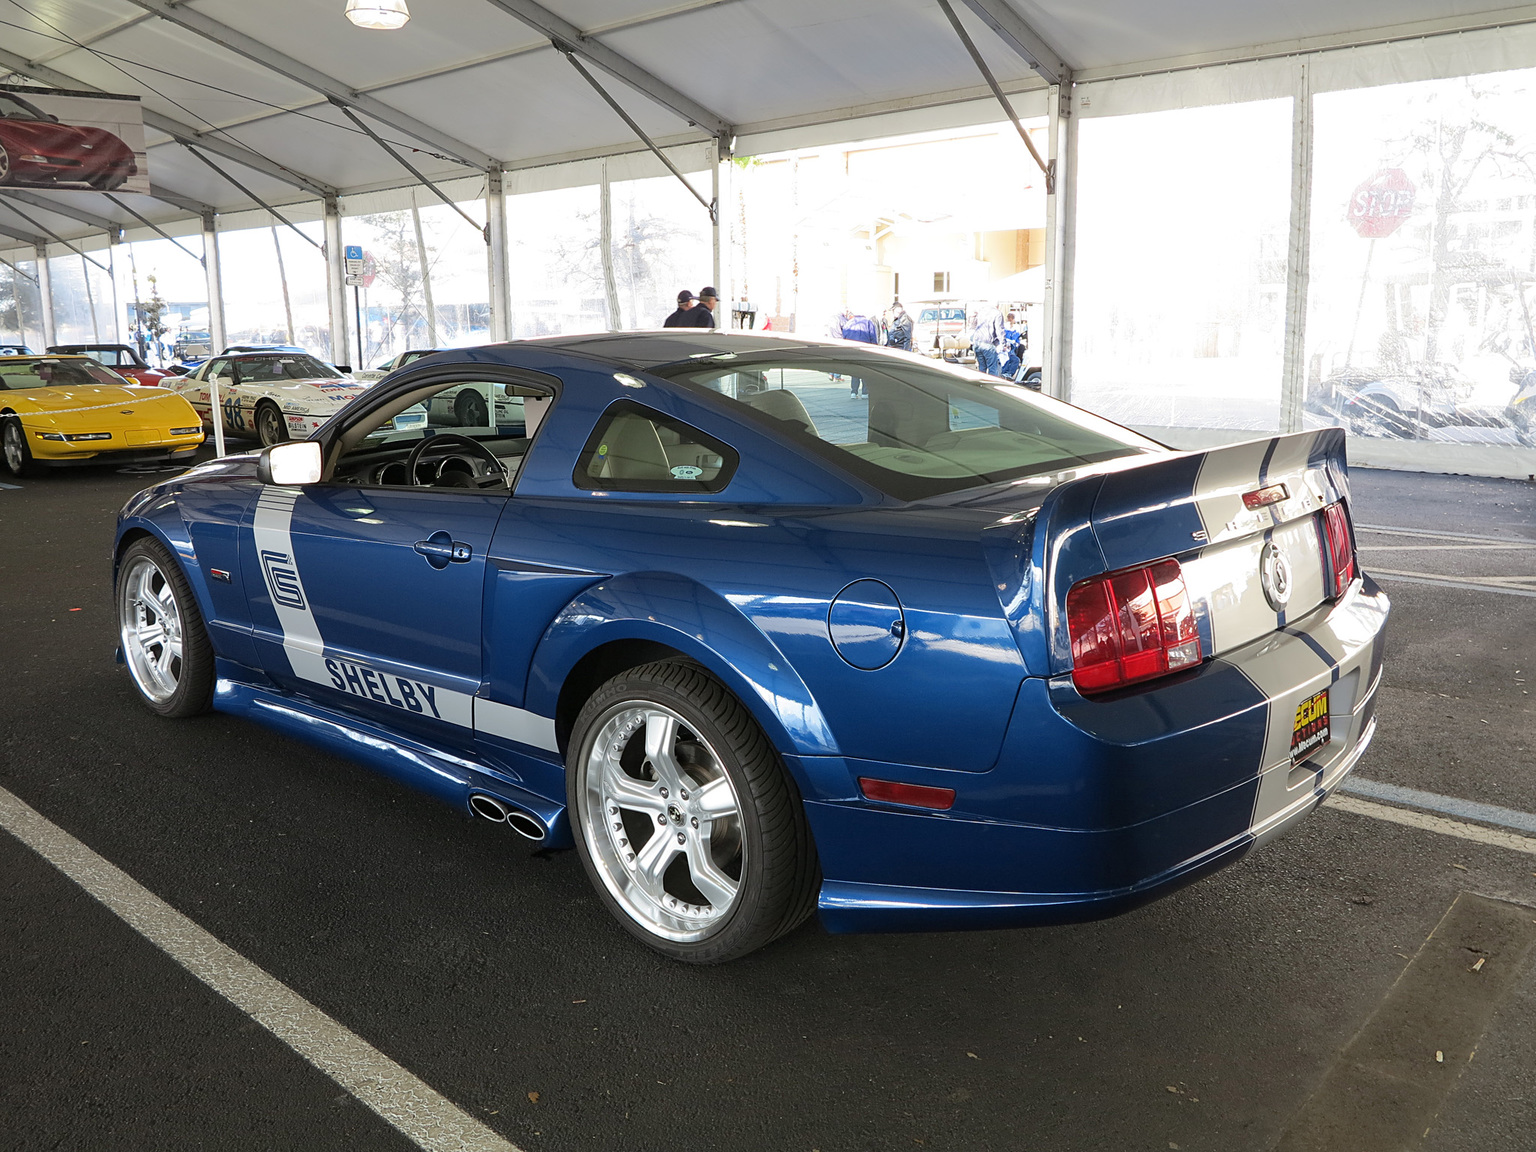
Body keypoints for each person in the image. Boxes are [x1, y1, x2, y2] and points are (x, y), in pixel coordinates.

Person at [840, 308, 879, 397]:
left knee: (855, 372)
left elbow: (844, 338)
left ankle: (854, 392)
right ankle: (865, 392)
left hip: (852, 351)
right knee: (865, 372)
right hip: (865, 350)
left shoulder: (849, 323)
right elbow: (873, 337)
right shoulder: (868, 323)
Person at [970, 304, 1005, 377]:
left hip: (977, 342)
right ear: (997, 305)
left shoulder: (981, 311)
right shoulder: (997, 313)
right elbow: (999, 330)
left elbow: (973, 326)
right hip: (988, 343)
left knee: (982, 368)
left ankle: (980, 386)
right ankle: (992, 386)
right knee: (992, 368)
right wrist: (1003, 343)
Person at [999, 312, 1028, 378]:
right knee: (1014, 360)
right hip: (1007, 348)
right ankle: (1007, 373)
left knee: (1012, 358)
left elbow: (1016, 338)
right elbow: (1007, 337)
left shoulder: (1014, 328)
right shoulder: (1006, 328)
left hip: (1011, 347)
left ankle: (1006, 372)